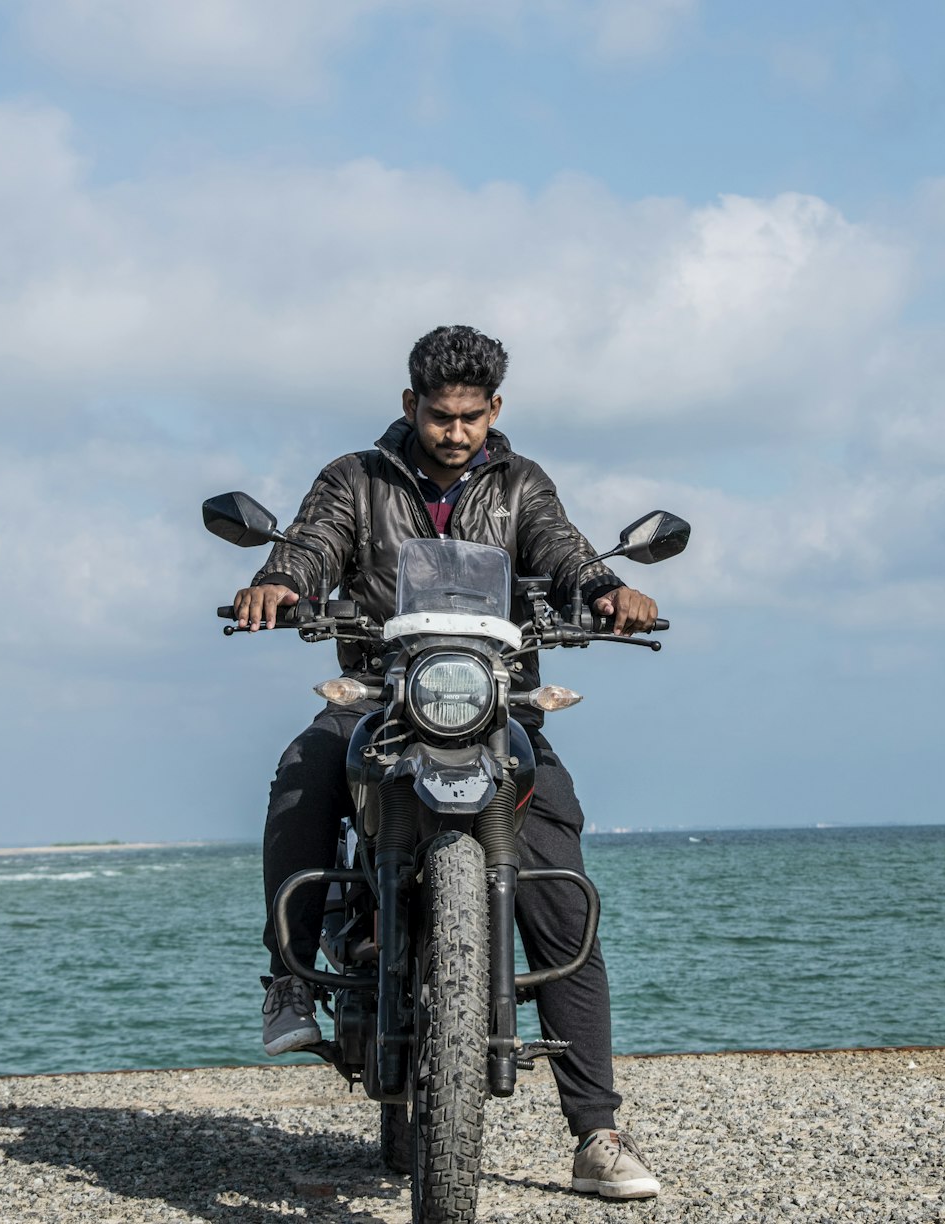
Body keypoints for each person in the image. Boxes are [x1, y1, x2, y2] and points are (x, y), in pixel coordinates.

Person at [231, 325, 661, 1201]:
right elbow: (312, 545)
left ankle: (598, 1133)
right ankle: (289, 978)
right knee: (302, 771)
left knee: (555, 888)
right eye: (439, 416)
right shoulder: (355, 479)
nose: (455, 432)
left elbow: (567, 555)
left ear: (494, 410)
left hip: (494, 703)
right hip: (382, 698)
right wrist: (282, 579)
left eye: (471, 417)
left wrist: (607, 591)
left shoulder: (520, 485)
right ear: (410, 406)